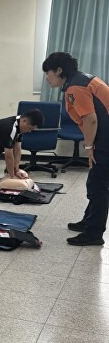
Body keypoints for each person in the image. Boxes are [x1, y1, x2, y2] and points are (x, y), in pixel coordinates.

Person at [43, 52, 109, 246]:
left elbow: (91, 119)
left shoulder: (75, 87)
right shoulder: (83, 79)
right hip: (104, 136)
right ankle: (89, 222)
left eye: (48, 72)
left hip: (105, 139)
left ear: (59, 70)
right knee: (95, 182)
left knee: (98, 186)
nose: (47, 78)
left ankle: (94, 233)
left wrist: (89, 147)